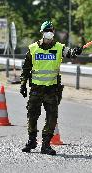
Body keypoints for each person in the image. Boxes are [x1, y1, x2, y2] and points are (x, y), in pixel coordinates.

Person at [20, 20, 82, 155]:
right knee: (32, 115)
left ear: (53, 32)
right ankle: (31, 141)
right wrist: (23, 84)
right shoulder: (33, 48)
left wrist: (77, 50)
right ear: (42, 33)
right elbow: (26, 68)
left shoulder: (59, 47)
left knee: (52, 117)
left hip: (52, 90)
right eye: (46, 30)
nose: (49, 33)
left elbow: (71, 53)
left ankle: (46, 145)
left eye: (51, 30)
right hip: (36, 89)